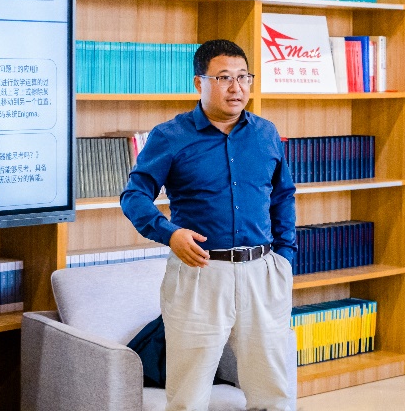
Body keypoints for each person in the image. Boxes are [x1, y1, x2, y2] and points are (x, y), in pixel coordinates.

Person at [120, 39, 296, 411]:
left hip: (263, 273)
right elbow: (134, 196)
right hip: (200, 273)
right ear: (199, 82)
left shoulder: (266, 133)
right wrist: (169, 233)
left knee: (274, 392)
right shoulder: (170, 136)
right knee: (189, 395)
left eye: (243, 77)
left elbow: (283, 196)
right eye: (224, 78)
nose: (237, 88)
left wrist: (284, 258)